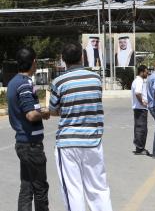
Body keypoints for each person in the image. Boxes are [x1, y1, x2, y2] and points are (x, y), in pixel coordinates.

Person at [49, 43, 112, 211]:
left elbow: (53, 110)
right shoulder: (95, 79)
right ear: (82, 57)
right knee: (99, 188)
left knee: (73, 190)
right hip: (93, 140)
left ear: (63, 60)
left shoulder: (58, 82)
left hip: (68, 143)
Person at [7, 47, 50, 211]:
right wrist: (45, 113)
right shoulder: (24, 84)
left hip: (23, 143)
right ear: (33, 62)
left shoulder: (13, 83)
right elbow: (31, 115)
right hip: (31, 145)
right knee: (40, 189)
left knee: (27, 187)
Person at [131, 65, 149, 155]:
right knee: (141, 129)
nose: (147, 73)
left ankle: (140, 147)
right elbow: (138, 93)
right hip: (140, 108)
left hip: (140, 108)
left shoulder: (139, 80)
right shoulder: (139, 81)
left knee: (141, 128)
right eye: (146, 71)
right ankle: (140, 149)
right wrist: (142, 102)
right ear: (142, 72)